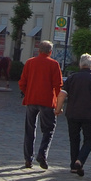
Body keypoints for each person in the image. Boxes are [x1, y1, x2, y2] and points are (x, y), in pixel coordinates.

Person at [54, 53, 91, 177]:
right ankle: (80, 160)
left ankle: (73, 165)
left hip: (72, 113)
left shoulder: (72, 78)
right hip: (90, 114)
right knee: (90, 139)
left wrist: (58, 108)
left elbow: (62, 94)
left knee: (74, 139)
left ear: (80, 64)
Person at [18, 40, 63, 169]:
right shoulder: (54, 64)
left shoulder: (30, 62)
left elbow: (22, 82)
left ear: (38, 50)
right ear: (50, 52)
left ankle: (28, 159)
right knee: (48, 129)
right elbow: (58, 86)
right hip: (47, 101)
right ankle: (42, 154)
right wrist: (59, 104)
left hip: (31, 100)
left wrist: (28, 92)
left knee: (29, 130)